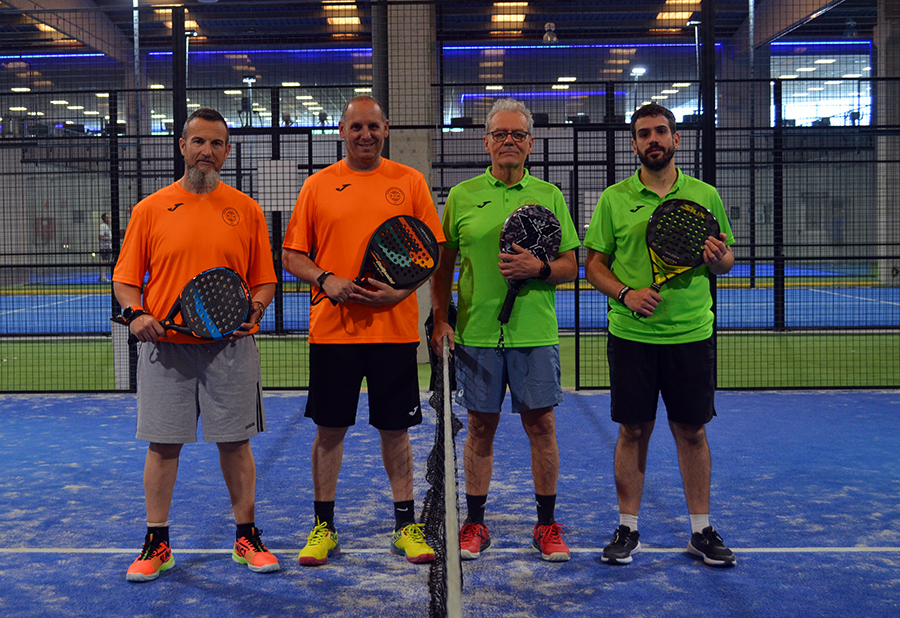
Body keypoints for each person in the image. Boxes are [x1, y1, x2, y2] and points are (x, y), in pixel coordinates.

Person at [113, 107, 280, 581]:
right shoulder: (150, 209)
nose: (207, 150)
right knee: (163, 445)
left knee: (236, 443)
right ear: (182, 146)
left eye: (217, 143)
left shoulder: (246, 209)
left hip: (230, 349)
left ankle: (246, 537)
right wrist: (136, 314)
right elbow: (126, 280)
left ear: (226, 151)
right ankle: (157, 543)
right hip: (167, 349)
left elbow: (264, 280)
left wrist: (256, 308)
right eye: (199, 141)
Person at [281, 95, 443, 567]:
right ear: (341, 131)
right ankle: (323, 527)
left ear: (386, 129)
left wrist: (400, 293)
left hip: (393, 332)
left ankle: (405, 526)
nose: (365, 135)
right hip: (333, 333)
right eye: (356, 127)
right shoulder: (317, 186)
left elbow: (430, 253)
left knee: (396, 430)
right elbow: (291, 255)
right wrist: (325, 278)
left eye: (373, 126)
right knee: (330, 430)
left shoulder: (409, 181)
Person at [583, 103, 736, 567]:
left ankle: (701, 531)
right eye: (645, 133)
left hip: (691, 333)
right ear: (634, 144)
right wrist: (626, 293)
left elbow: (727, 260)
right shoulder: (614, 199)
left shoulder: (705, 195)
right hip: (632, 336)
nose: (654, 139)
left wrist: (719, 259)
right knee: (633, 429)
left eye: (661, 131)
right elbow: (594, 265)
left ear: (676, 139)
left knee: (692, 431)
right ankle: (627, 528)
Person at [430, 98, 580, 562]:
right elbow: (442, 267)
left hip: (535, 333)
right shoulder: (462, 195)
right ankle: (475, 523)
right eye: (500, 134)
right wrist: (440, 318)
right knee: (479, 427)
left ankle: (546, 525)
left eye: (517, 134)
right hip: (476, 334)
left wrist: (539, 269)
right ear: (486, 143)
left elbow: (571, 266)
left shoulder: (550, 195)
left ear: (530, 143)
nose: (509, 141)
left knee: (542, 426)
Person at [98, 212, 112, 282]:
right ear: (105, 219)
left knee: (106, 261)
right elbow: (100, 237)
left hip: (108, 247)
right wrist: (109, 239)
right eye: (108, 218)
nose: (109, 219)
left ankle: (102, 276)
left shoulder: (107, 226)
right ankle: (103, 277)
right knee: (105, 261)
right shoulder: (103, 226)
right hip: (104, 247)